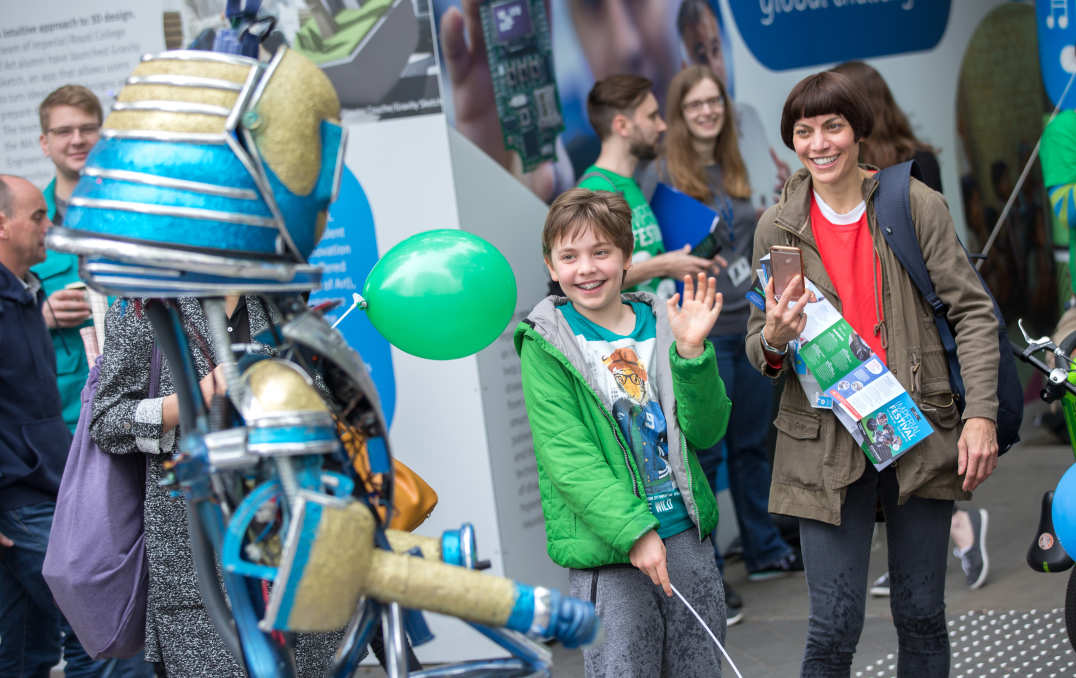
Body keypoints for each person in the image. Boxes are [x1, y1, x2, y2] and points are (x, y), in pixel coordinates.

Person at [747, 71, 1000, 675]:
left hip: (916, 423)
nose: (819, 143)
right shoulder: (778, 227)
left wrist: (982, 415)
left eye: (833, 126)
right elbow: (761, 350)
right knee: (833, 627)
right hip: (823, 439)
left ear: (859, 130)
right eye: (803, 132)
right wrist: (775, 340)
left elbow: (973, 312)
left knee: (920, 613)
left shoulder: (913, 204)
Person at [516, 188, 731, 677]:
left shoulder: (663, 321)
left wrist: (693, 355)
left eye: (601, 252)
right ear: (551, 266)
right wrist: (634, 531)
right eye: (569, 256)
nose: (585, 269)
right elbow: (567, 457)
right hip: (612, 552)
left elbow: (708, 430)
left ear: (627, 258)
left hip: (685, 538)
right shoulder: (544, 342)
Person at [90, 296, 334, 677]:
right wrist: (194, 400)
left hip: (292, 544)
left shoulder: (280, 303)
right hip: (197, 556)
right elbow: (109, 422)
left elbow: (328, 410)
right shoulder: (143, 305)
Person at [638, 65, 801, 626]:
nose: (708, 112)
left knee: (754, 444)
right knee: (703, 454)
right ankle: (705, 569)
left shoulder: (737, 161)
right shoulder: (660, 175)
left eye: (715, 102)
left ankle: (761, 548)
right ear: (679, 115)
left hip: (749, 321)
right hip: (698, 331)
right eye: (695, 105)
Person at [830, 61, 991, 597]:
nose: (826, 139)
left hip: (912, 345)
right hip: (871, 361)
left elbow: (943, 276)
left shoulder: (909, 178)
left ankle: (948, 535)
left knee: (918, 465)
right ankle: (932, 545)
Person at [0, 174, 69, 677]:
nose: (48, 227)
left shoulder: (27, 290)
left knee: (26, 651)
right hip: (17, 499)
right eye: (37, 216)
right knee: (100, 631)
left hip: (43, 486)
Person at [576, 74, 723, 298]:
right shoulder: (595, 191)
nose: (662, 126)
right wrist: (664, 266)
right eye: (653, 116)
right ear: (622, 126)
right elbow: (592, 278)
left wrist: (684, 262)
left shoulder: (632, 184)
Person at [34, 85, 98, 432]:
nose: (77, 140)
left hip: (148, 401)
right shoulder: (21, 227)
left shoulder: (136, 214)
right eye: (63, 131)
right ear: (45, 143)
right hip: (68, 417)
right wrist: (40, 317)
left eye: (88, 129)